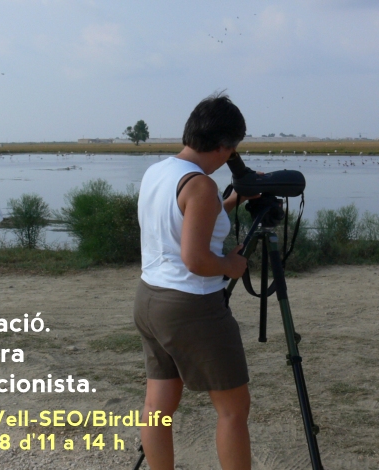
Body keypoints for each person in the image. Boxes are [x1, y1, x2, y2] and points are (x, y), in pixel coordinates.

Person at [134, 93, 253, 469]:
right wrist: (230, 266)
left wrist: (231, 202)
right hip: (192, 306)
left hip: (150, 298)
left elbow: (182, 222)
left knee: (158, 406)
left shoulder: (159, 171)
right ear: (224, 147)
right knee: (233, 410)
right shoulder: (201, 186)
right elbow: (196, 259)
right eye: (232, 149)